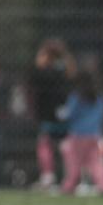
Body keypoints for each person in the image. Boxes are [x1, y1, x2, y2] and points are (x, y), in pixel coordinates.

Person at [29, 38, 76, 189]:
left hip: (48, 115)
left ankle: (48, 175)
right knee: (66, 146)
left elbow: (34, 81)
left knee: (45, 144)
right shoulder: (67, 69)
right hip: (65, 114)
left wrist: (39, 63)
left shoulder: (44, 72)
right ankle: (71, 175)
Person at [58, 71, 103, 195]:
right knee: (96, 162)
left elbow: (69, 114)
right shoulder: (99, 98)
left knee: (73, 162)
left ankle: (69, 186)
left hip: (77, 135)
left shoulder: (76, 97)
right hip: (94, 135)